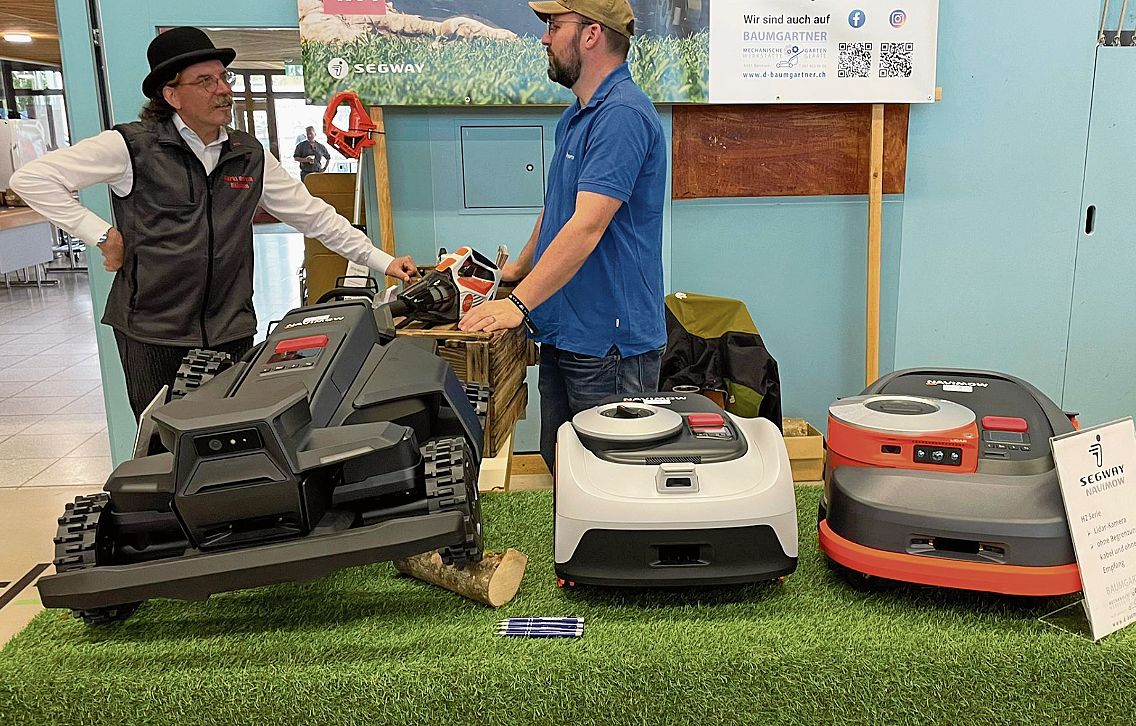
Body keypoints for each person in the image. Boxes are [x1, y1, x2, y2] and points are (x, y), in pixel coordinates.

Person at [11, 26, 417, 419]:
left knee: (228, 439)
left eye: (224, 78)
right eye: (204, 81)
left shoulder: (248, 154)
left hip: (230, 329)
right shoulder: (131, 147)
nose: (222, 90)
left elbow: (315, 217)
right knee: (162, 444)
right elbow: (31, 179)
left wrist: (384, 261)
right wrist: (102, 235)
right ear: (171, 94)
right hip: (153, 332)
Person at [458, 0, 667, 473]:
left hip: (610, 349)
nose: (544, 38)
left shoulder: (622, 115)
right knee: (565, 472)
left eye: (554, 26)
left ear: (591, 34)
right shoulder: (578, 115)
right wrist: (518, 270)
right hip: (565, 332)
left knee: (611, 484)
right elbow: (559, 209)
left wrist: (517, 304)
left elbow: (587, 226)